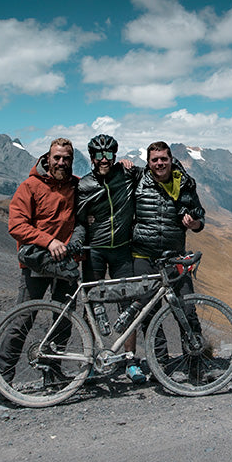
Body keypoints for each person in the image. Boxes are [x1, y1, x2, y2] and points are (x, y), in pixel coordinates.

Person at [0, 138, 80, 385]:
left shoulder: (76, 186)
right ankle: (5, 381)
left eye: (66, 158)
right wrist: (49, 241)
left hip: (66, 264)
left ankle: (52, 374)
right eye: (57, 158)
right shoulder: (30, 186)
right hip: (36, 264)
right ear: (48, 158)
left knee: (63, 321)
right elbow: (17, 226)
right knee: (23, 320)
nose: (61, 162)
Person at [68, 134, 146, 382]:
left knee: (128, 302)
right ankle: (91, 361)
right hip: (95, 252)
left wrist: (131, 164)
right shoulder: (84, 186)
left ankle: (130, 360)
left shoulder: (127, 176)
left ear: (114, 156)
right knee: (92, 305)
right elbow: (80, 220)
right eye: (99, 155)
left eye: (109, 155)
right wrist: (78, 240)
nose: (104, 159)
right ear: (91, 157)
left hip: (122, 250)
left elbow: (156, 172)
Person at [125, 141, 206, 368]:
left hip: (174, 257)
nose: (159, 163)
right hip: (143, 257)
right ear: (148, 163)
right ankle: (161, 366)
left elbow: (200, 219)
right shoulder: (137, 179)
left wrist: (195, 223)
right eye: (155, 160)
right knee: (148, 315)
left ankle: (196, 366)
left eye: (163, 159)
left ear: (171, 160)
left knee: (187, 309)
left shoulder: (185, 184)